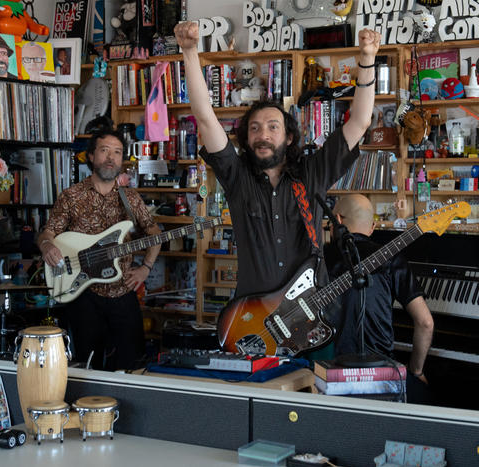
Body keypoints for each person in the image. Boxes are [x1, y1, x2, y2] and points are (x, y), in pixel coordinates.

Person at [174, 21, 380, 299]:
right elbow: (205, 118)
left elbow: (360, 121)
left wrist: (367, 61)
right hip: (252, 316)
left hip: (309, 315)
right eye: (255, 128)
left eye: (273, 127)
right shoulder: (236, 176)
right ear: (246, 139)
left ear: (289, 137)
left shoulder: (312, 173)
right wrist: (189, 51)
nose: (263, 135)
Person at [37, 131, 161, 371]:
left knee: (132, 366)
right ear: (92, 156)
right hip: (83, 292)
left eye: (117, 152)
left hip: (123, 290)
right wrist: (46, 246)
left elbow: (154, 234)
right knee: (86, 365)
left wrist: (145, 268)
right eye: (104, 150)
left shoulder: (130, 198)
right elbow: (48, 232)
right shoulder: (71, 196)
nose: (111, 158)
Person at [324, 194, 434, 396]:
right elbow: (426, 322)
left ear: (337, 220)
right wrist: (416, 371)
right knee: (429, 398)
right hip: (381, 373)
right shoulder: (392, 258)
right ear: (373, 227)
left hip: (328, 373)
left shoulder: (319, 259)